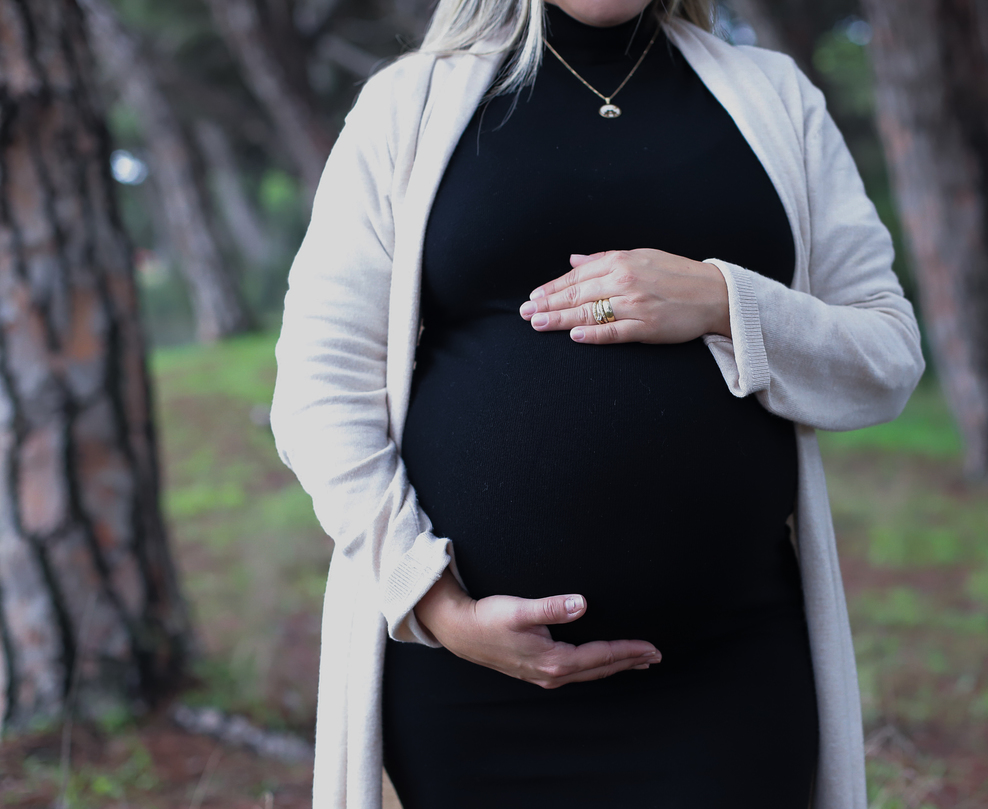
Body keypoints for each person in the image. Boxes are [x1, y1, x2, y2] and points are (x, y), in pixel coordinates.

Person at [269, 0, 925, 806]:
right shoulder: (409, 105)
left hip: (730, 675)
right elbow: (320, 385)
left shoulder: (773, 97)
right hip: (478, 694)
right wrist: (433, 604)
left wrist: (724, 301)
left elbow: (887, 355)